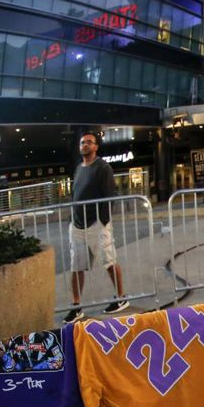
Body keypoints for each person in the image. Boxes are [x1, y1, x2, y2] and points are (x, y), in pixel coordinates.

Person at [64, 131, 129, 324]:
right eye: (82, 142)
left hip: (96, 224)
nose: (85, 145)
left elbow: (109, 195)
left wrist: (103, 221)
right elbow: (75, 193)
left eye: (89, 142)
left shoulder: (103, 168)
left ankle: (121, 297)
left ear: (96, 146)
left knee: (108, 261)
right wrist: (72, 219)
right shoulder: (78, 168)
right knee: (76, 266)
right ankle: (76, 306)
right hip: (77, 225)